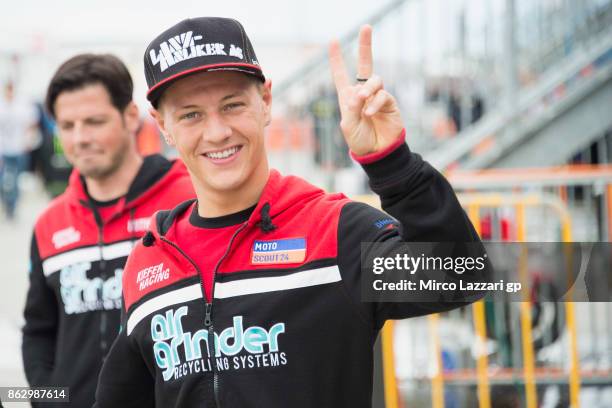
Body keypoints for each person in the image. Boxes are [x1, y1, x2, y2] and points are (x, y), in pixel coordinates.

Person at [95, 18, 487, 407]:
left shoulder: (334, 234)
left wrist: (392, 163)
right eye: (191, 115)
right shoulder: (149, 262)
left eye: (232, 105)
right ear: (163, 125)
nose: (216, 133)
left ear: (265, 101)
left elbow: (462, 277)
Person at [21, 54, 194, 408]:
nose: (80, 138)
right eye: (67, 126)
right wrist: (47, 399)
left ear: (131, 117)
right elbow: (38, 330)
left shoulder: (190, 200)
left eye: (94, 121)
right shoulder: (48, 225)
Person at [0, 81, 37, 219]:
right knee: (3, 180)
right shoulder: (2, 106)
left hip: (18, 148)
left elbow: (31, 124)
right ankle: (5, 202)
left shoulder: (22, 106)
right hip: (3, 150)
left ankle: (13, 207)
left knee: (15, 180)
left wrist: (28, 141)